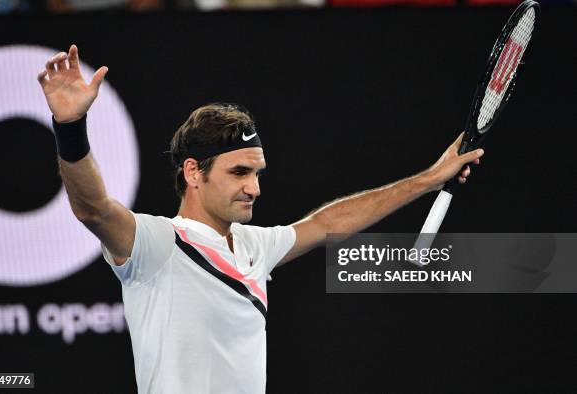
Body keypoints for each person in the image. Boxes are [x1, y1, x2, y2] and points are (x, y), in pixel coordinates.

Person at [37, 45, 482, 393]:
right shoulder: (155, 244)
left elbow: (329, 222)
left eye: (256, 173)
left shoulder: (254, 246)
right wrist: (70, 127)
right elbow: (92, 207)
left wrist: (427, 179)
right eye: (239, 172)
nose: (254, 187)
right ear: (193, 172)